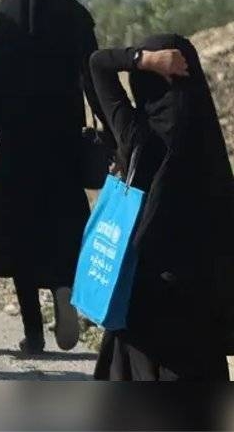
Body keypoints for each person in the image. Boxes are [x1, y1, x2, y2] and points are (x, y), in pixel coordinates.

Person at [0, 0, 107, 355]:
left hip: (17, 149)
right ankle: (62, 287)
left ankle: (34, 334)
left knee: (20, 235)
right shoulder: (76, 16)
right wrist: (116, 133)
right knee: (61, 224)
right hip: (62, 144)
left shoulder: (8, 20)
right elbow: (95, 80)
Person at [89, 35, 234, 381]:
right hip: (199, 302)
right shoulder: (209, 148)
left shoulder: (137, 133)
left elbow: (97, 63)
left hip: (143, 294)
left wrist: (142, 59)